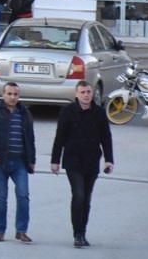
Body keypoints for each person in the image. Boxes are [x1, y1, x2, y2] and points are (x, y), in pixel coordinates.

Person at [50, 81, 114, 248]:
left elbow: (106, 137)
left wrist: (109, 159)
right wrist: (55, 161)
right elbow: (60, 137)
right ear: (76, 94)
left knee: (86, 198)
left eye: (88, 92)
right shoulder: (68, 112)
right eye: (83, 92)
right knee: (78, 196)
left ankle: (83, 232)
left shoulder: (99, 113)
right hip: (73, 161)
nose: (86, 95)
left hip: (92, 161)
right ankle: (77, 234)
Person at [0, 82, 35, 244]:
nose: (12, 97)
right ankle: (0, 230)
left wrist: (31, 160)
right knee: (1, 198)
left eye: (15, 94)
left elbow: (30, 138)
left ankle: (21, 230)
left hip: (19, 162)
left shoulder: (24, 113)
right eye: (9, 94)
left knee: (23, 195)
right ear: (3, 94)